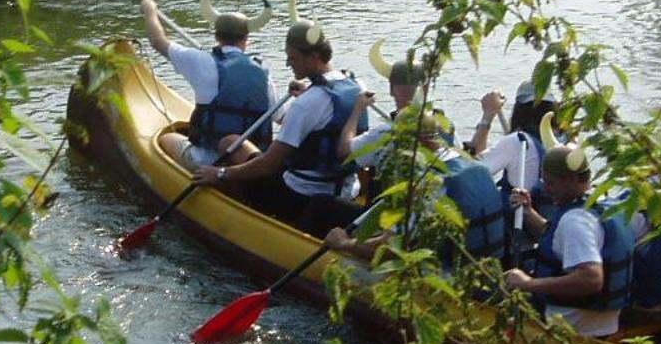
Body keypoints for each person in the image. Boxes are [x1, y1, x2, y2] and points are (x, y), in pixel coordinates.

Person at [192, 18, 365, 235]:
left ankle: (242, 215)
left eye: (292, 58)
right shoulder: (356, 86)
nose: (287, 64)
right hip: (346, 191)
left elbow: (269, 165)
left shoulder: (308, 103)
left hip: (298, 196)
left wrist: (220, 174)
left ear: (312, 56)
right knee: (231, 142)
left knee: (231, 150)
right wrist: (309, 91)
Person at [325, 110, 508, 269]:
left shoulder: (427, 183)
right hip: (490, 266)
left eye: (398, 141)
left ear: (414, 142)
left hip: (451, 276)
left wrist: (344, 244)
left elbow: (389, 250)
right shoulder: (474, 165)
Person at [499, 143, 633, 340]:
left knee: (489, 297)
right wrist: (528, 212)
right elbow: (559, 241)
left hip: (571, 326)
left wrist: (529, 283)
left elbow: (591, 279)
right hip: (604, 324)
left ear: (570, 179)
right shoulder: (601, 204)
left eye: (550, 182)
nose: (545, 188)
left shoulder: (575, 221)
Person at [142, 0, 271, 171]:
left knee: (167, 139)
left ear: (216, 36)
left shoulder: (200, 60)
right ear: (246, 39)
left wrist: (149, 10)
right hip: (251, 163)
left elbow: (157, 41)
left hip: (207, 161)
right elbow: (281, 117)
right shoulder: (263, 71)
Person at [471, 78, 557, 207]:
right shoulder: (564, 141)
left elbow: (473, 173)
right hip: (549, 219)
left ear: (519, 110)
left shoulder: (517, 142)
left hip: (520, 223)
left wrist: (488, 116)